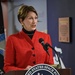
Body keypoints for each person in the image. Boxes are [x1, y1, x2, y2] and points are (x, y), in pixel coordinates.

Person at [3, 4, 54, 73]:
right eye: (30, 18)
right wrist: (23, 71)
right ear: (21, 21)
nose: (34, 21)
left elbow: (50, 64)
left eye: (35, 18)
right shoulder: (12, 39)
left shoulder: (45, 37)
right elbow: (7, 67)